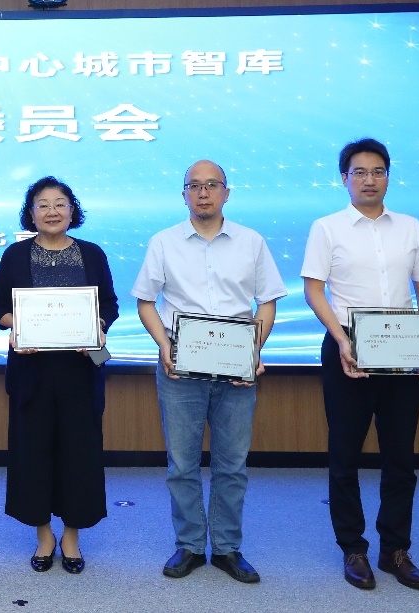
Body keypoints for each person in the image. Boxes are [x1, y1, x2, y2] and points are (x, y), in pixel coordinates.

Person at [132, 159, 286, 584]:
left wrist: (254, 351)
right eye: (194, 186)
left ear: (226, 193)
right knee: (182, 464)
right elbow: (145, 301)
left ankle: (227, 548)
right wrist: (164, 346)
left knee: (232, 465)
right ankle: (189, 545)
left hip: (236, 368)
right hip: (180, 368)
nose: (203, 193)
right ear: (184, 194)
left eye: (212, 185)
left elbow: (267, 301)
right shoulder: (163, 242)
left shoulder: (251, 242)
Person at [300, 138, 419, 591]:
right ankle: (353, 548)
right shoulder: (327, 228)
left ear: (388, 176)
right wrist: (342, 340)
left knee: (400, 457)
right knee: (345, 454)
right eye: (359, 172)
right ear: (344, 178)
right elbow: (314, 290)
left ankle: (395, 549)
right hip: (348, 349)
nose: (369, 179)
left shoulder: (410, 228)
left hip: (404, 350)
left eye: (377, 171)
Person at [0, 176, 118, 575]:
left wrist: (97, 326)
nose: (52, 211)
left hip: (81, 371)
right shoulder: (15, 254)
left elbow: (109, 305)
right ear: (31, 214)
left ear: (72, 210)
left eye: (60, 204)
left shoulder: (92, 254)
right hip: (32, 371)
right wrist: (18, 327)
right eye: (42, 205)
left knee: (80, 454)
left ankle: (72, 537)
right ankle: (43, 534)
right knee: (33, 452)